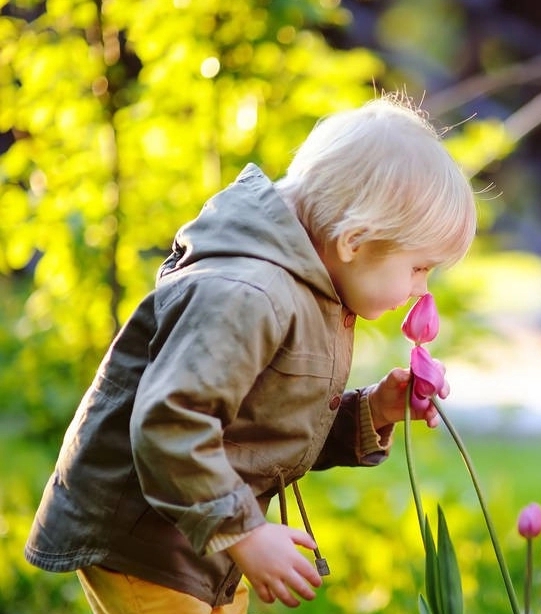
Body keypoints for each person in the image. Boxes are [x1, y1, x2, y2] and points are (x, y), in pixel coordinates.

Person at [24, 93, 477, 613]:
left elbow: (263, 426)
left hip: (204, 535)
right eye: (419, 268)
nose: (422, 290)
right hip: (146, 539)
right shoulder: (246, 294)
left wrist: (373, 411)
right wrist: (247, 534)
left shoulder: (309, 290)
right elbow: (171, 423)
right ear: (354, 241)